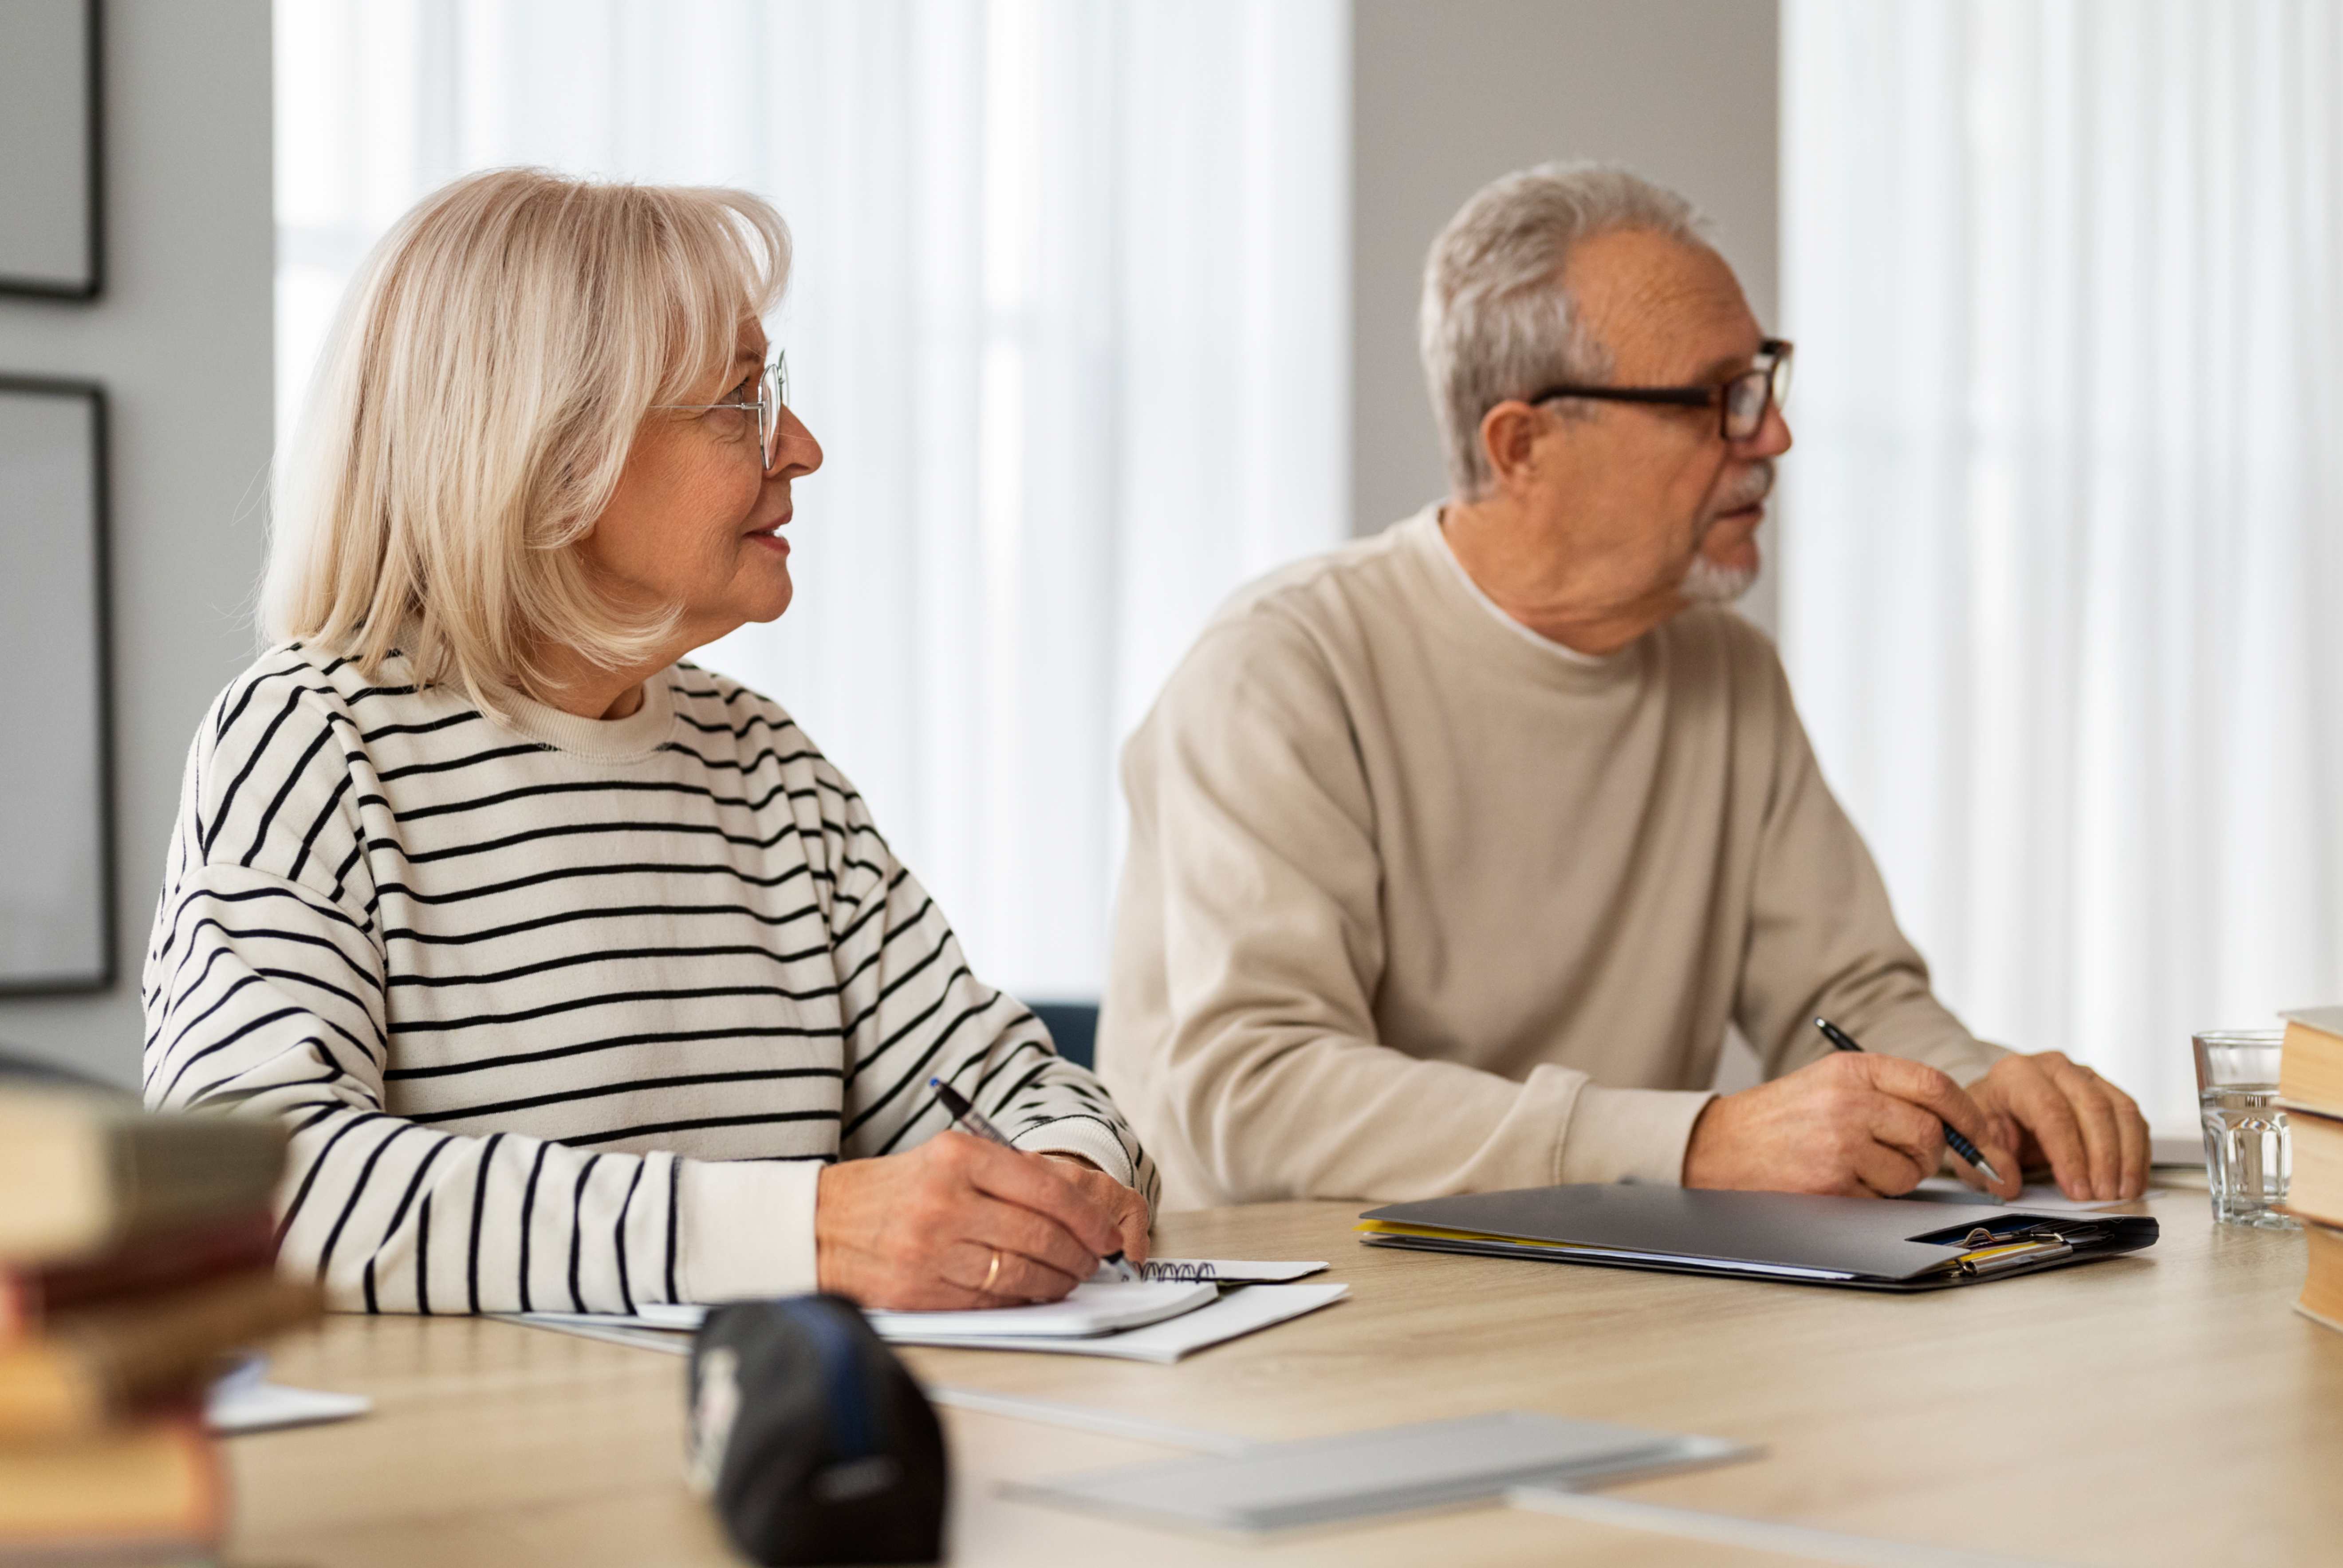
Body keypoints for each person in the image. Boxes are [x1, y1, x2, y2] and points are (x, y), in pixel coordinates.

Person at [142, 169, 1154, 1314]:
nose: (804, 448)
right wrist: (807, 1231)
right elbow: (243, 1201)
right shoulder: (307, 745)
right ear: (550, 454)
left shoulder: (767, 768)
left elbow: (1011, 1088)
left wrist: (1063, 1180)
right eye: (741, 402)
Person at [1099, 162, 2148, 1210]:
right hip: (1289, 1331)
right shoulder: (1279, 669)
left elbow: (1845, 995)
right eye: (1712, 400)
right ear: (1523, 446)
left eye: (1761, 379)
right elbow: (1258, 1097)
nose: (1771, 436)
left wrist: (1972, 1095)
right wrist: (1694, 1142)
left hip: (1608, 1305)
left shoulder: (1728, 674)